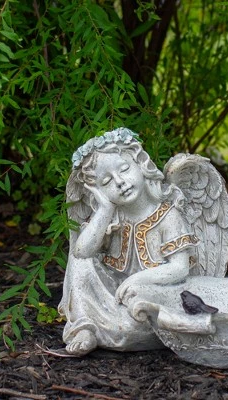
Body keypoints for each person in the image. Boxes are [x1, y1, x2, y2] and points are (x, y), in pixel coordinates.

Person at [58, 128, 199, 355]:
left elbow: (180, 268)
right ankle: (85, 327)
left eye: (124, 169)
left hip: (153, 295)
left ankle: (121, 330)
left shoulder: (168, 216)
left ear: (142, 165)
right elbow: (82, 251)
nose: (120, 182)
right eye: (106, 182)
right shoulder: (112, 217)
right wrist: (104, 209)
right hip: (115, 296)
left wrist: (138, 279)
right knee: (80, 259)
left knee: (141, 314)